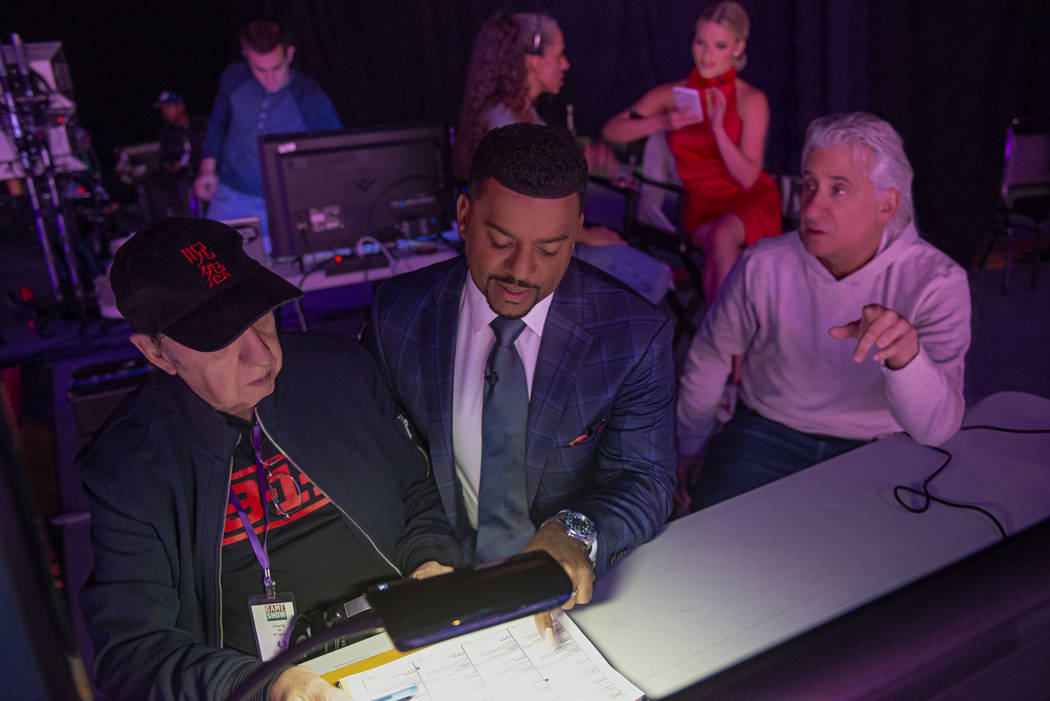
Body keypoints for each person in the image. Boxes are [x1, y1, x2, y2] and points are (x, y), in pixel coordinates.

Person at [78, 218, 462, 700]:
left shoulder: (342, 370)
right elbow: (130, 653)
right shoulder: (128, 469)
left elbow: (416, 492)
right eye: (221, 337)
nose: (261, 356)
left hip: (405, 644)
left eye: (260, 315)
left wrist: (431, 563)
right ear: (157, 352)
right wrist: (264, 685)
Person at [365, 123, 677, 641]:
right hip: (436, 583)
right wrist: (423, 555)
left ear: (577, 230)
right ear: (464, 217)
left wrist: (573, 532)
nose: (522, 270)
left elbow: (647, 480)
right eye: (502, 241)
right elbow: (384, 461)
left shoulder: (634, 335)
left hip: (575, 600)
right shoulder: (396, 315)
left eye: (551, 250)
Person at [676, 112, 971, 510]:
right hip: (767, 428)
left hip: (882, 443)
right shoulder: (764, 264)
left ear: (887, 205)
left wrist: (906, 359)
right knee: (709, 548)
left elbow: (935, 428)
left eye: (839, 190)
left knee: (888, 565)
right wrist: (691, 446)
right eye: (810, 185)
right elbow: (711, 354)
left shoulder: (937, 283)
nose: (811, 209)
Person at [452, 11, 672, 306]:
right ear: (534, 61)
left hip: (542, 244)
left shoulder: (524, 114)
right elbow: (522, 217)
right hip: (525, 256)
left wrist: (578, 163)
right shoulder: (504, 122)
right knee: (653, 276)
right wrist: (585, 236)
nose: (566, 64)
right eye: (559, 55)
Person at [602, 1, 782, 305]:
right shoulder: (672, 94)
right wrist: (661, 121)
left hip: (748, 200)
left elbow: (748, 178)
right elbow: (611, 131)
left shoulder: (751, 99)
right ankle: (727, 345)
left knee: (723, 240)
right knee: (723, 249)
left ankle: (716, 344)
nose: (707, 54)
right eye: (701, 42)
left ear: (738, 48)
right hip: (701, 206)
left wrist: (719, 131)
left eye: (720, 45)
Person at [194, 19, 342, 251]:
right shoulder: (234, 77)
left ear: (289, 54)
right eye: (259, 69)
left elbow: (336, 151)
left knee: (280, 276)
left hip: (286, 202)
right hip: (232, 193)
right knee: (212, 261)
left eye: (276, 68)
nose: (269, 79)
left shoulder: (309, 96)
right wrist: (207, 168)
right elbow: (218, 122)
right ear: (246, 56)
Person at [146, 90, 207, 218]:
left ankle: (196, 220)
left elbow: (208, 149)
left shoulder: (201, 125)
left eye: (168, 107)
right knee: (154, 180)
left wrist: (192, 164)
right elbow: (164, 157)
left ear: (180, 107)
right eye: (163, 108)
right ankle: (160, 224)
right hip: (179, 174)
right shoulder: (166, 133)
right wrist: (170, 165)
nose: (165, 112)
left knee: (184, 184)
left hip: (201, 168)